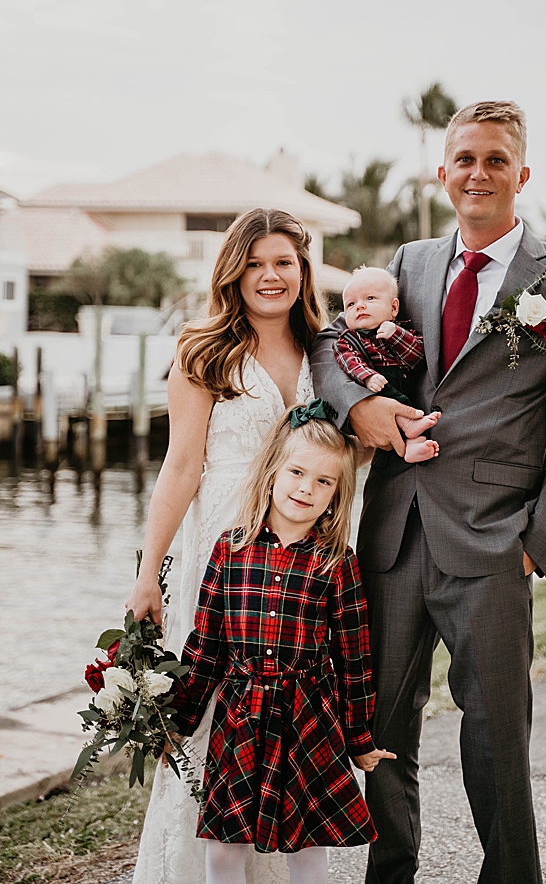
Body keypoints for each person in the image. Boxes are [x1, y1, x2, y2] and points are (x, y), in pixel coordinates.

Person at [312, 100, 546, 884]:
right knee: (380, 735)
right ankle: (391, 874)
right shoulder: (409, 264)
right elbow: (332, 341)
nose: (478, 173)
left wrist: (534, 546)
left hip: (494, 544)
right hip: (392, 537)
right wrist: (358, 408)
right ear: (442, 173)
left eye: (495, 159)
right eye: (465, 160)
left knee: (495, 741)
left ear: (522, 173)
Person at [128, 208, 325, 884]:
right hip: (221, 557)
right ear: (233, 273)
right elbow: (181, 466)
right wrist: (148, 574)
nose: (270, 276)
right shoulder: (203, 351)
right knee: (212, 710)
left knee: (289, 715)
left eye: (284, 263)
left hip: (303, 556)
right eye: (255, 263)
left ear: (302, 270)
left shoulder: (327, 352)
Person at [169, 401, 396, 884]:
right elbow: (206, 647)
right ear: (272, 471)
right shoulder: (230, 550)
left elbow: (354, 659)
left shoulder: (337, 562)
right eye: (296, 472)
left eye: (323, 481)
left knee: (307, 844)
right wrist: (178, 719)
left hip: (308, 718)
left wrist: (359, 738)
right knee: (223, 846)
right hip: (241, 717)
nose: (306, 488)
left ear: (336, 495)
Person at [333, 266, 441, 462]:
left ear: (393, 308)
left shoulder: (402, 330)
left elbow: (418, 356)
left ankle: (413, 445)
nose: (359, 306)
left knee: (411, 404)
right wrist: (368, 377)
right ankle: (409, 427)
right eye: (351, 304)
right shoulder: (347, 340)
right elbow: (350, 362)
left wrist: (396, 335)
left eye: (370, 298)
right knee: (388, 397)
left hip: (408, 386)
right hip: (378, 389)